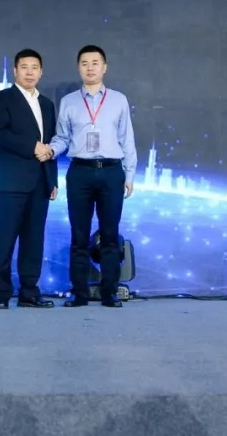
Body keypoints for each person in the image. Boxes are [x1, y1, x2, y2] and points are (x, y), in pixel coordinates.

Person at [48, 45, 136, 308]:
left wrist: (129, 174)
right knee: (79, 235)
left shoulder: (119, 100)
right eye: (84, 63)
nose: (90, 67)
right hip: (80, 172)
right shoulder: (69, 101)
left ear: (104, 67)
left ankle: (110, 293)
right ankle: (80, 294)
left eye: (95, 63)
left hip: (111, 172)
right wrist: (50, 150)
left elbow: (127, 139)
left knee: (110, 235)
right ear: (79, 68)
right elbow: (62, 137)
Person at [0, 48, 59, 310]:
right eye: (24, 67)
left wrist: (52, 180)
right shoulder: (1, 98)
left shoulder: (47, 104)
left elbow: (50, 143)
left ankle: (29, 292)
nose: (30, 72)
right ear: (15, 70)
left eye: (34, 67)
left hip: (40, 183)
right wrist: (31, 147)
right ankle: (1, 294)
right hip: (10, 183)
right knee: (5, 239)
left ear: (41, 72)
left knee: (34, 240)